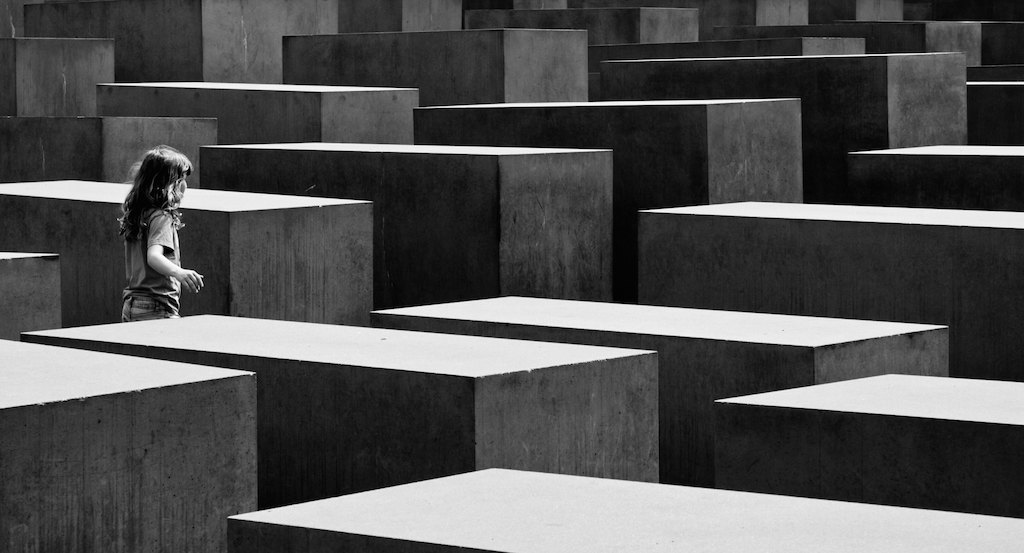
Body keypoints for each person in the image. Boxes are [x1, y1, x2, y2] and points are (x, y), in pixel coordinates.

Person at [118, 145, 204, 322]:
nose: (185, 186)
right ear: (170, 185)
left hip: (131, 304)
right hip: (156, 305)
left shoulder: (138, 214)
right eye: (182, 180)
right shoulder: (162, 217)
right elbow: (154, 257)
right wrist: (179, 273)